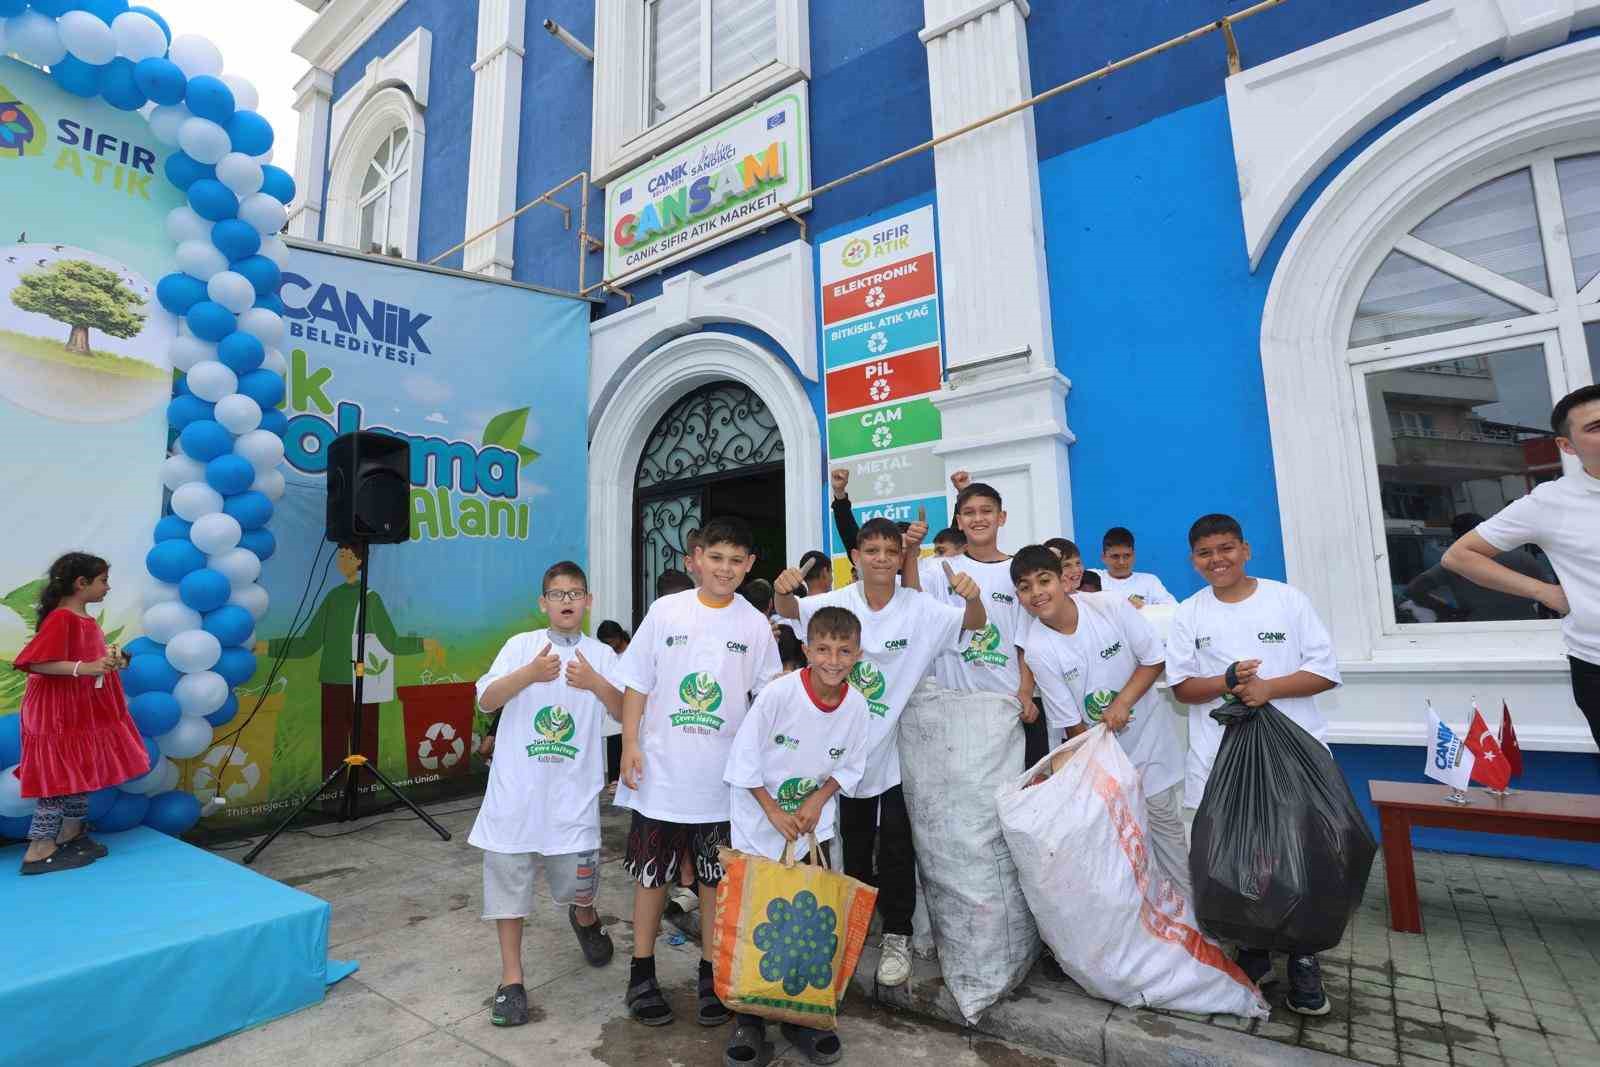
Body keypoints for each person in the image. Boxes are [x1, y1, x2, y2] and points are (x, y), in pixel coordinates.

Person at [773, 517, 984, 988]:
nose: (882, 559)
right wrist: (783, 591)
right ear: (856, 558)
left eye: (891, 551)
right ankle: (852, 924)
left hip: (893, 752)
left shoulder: (919, 608)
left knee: (896, 844)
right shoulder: (838, 603)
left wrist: (972, 598)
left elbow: (972, 623)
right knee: (851, 842)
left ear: (902, 557)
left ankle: (897, 933)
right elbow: (792, 610)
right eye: (872, 551)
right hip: (838, 754)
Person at [1164, 513, 1341, 1015]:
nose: (1216, 560)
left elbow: (1324, 672)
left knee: (1299, 858)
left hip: (1293, 758)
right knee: (1236, 860)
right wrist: (1226, 680)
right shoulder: (1189, 614)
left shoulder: (1287, 601)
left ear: (1245, 550)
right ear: (1193, 560)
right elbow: (1182, 688)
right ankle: (1254, 947)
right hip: (1219, 762)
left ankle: (1303, 956)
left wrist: (1268, 689)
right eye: (1205, 553)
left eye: (1226, 548)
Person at [615, 517, 783, 1028]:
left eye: (735, 561)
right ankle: (641, 975)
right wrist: (629, 744)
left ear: (749, 565)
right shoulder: (666, 611)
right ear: (696, 559)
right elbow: (637, 683)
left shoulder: (754, 624)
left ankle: (712, 975)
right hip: (661, 775)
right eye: (715, 558)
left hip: (721, 782)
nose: (724, 569)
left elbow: (768, 699)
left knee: (714, 881)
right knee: (652, 877)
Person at [470, 562, 623, 1027]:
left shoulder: (603, 655)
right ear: (543, 603)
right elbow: (486, 700)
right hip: (515, 795)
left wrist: (595, 683)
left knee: (578, 883)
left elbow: (626, 712)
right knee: (508, 890)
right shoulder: (521, 646)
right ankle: (511, 981)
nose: (566, 601)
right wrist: (530, 674)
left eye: (575, 593)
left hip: (573, 797)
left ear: (588, 601)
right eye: (557, 594)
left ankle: (584, 916)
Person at [721, 606, 870, 1067]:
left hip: (810, 828)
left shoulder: (857, 706)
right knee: (756, 917)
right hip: (759, 821)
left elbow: (850, 767)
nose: (833, 660)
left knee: (807, 920)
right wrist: (773, 810)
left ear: (857, 655)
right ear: (806, 650)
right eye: (823, 649)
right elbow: (744, 759)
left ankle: (801, 1016)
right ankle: (748, 1018)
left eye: (843, 651)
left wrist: (817, 800)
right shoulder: (778, 695)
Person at [1012, 545, 1189, 895]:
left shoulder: (1108, 606)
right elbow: (1073, 726)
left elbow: (1154, 659)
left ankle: (1192, 918)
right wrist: (1104, 774)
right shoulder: (1038, 648)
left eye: (1044, 580)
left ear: (1064, 580)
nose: (1037, 593)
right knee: (1125, 851)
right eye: (1025, 587)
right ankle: (1147, 922)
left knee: (1167, 838)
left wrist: (1123, 702)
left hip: (1149, 745)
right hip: (1101, 761)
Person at [1443, 385, 1600, 753]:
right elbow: (1460, 556)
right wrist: (1544, 592)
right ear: (1567, 446)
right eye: (1595, 427)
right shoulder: (1551, 502)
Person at [256, 542, 444, 783]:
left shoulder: (371, 598)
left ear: (359, 561)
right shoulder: (333, 597)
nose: (342, 561)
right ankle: (333, 793)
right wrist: (265, 647)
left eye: (348, 556)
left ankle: (365, 790)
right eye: (340, 556)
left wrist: (425, 644)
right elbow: (308, 644)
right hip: (333, 682)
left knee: (364, 746)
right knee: (333, 747)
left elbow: (391, 642)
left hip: (365, 684)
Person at [10, 553, 147, 874]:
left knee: (77, 770)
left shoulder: (82, 619)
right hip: (56, 714)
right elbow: (36, 662)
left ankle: (70, 833)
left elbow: (85, 656)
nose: (108, 587)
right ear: (81, 583)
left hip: (78, 712)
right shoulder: (62, 618)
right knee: (58, 778)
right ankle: (39, 849)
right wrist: (83, 668)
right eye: (103, 581)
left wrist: (113, 660)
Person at [913, 481, 1041, 758]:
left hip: (1005, 704)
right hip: (953, 706)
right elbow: (912, 601)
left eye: (987, 511)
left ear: (1001, 517)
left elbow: (1027, 640)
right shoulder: (940, 568)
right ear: (959, 522)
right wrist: (911, 553)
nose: (978, 518)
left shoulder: (1019, 571)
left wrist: (1025, 691)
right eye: (969, 513)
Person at [1094, 527, 1175, 608]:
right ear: (1103, 557)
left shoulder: (1150, 582)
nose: (1121, 562)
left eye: (1127, 556)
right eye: (1115, 556)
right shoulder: (1093, 578)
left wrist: (1143, 607)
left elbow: (1172, 608)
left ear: (1134, 556)